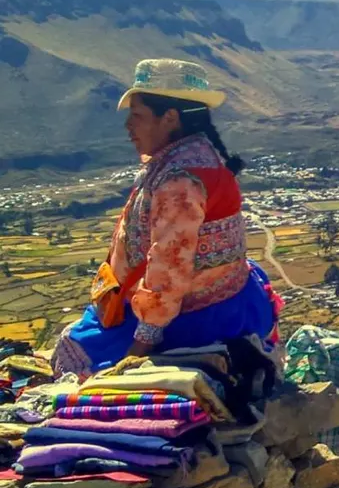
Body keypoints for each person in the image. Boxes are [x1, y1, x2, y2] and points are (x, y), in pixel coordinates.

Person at [53, 59, 281, 377]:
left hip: (191, 318)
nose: (128, 126)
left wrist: (139, 348)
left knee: (73, 353)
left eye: (137, 116)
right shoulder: (193, 155)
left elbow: (169, 270)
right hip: (220, 296)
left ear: (170, 118)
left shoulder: (180, 180)